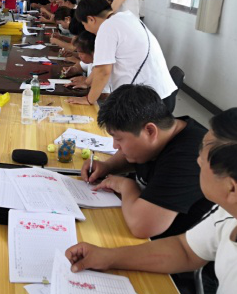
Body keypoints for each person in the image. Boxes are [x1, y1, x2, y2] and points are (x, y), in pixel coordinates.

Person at [65, 105, 237, 294]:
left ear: (232, 188)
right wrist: (108, 256)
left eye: (203, 157)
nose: (197, 159)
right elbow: (185, 250)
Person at [82, 85, 212, 239]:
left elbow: (142, 227)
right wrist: (108, 166)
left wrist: (126, 186)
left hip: (171, 243)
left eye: (119, 139)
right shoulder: (166, 131)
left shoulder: (189, 158)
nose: (115, 146)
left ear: (150, 131)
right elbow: (132, 154)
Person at [69, 0, 176, 107]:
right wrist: (87, 83)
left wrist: (88, 100)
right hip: (160, 93)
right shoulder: (126, 17)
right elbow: (101, 65)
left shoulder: (107, 28)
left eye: (84, 24)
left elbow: (103, 71)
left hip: (148, 99)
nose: (86, 29)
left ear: (91, 19)